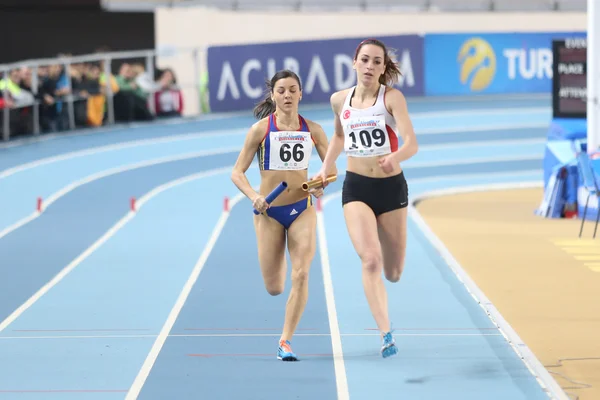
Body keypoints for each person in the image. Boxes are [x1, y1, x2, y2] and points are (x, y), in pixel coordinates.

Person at [312, 38, 419, 358]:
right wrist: (325, 168)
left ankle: (388, 297)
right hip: (356, 187)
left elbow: (412, 143)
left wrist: (396, 157)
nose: (370, 66)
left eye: (377, 61)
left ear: (384, 68)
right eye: (365, 60)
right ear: (354, 63)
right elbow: (340, 135)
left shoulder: (392, 99)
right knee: (370, 259)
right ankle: (386, 333)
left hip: (391, 189)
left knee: (394, 272)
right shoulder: (339, 101)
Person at [231, 69, 333, 361]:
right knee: (275, 286)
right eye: (281, 91)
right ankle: (280, 267)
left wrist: (318, 184)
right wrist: (255, 197)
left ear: (300, 93)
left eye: (292, 90)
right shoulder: (261, 130)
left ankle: (285, 341)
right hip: (269, 213)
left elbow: (332, 168)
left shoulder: (313, 130)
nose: (287, 95)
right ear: (273, 95)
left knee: (301, 274)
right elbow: (237, 173)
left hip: (302, 209)